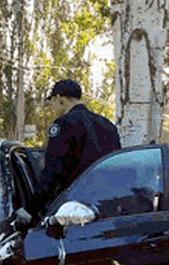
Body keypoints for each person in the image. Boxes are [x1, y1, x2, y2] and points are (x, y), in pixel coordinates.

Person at [33, 79, 121, 214]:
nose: (51, 106)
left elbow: (53, 171)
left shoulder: (64, 124)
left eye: (51, 101)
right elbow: (117, 165)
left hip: (74, 209)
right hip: (106, 206)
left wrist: (31, 209)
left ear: (59, 98)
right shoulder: (107, 125)